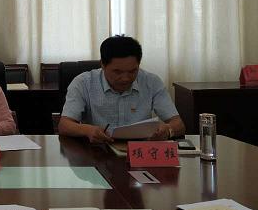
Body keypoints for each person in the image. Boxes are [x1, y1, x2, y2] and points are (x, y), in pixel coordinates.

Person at [58, 35, 186, 143]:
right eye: (117, 72)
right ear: (102, 64)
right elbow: (64, 125)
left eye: (132, 71)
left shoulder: (151, 82)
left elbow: (178, 124)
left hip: (140, 152)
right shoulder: (83, 83)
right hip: (98, 151)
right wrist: (88, 130)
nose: (125, 78)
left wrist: (168, 130)